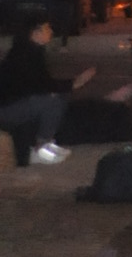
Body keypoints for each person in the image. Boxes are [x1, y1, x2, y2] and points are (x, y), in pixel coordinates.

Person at [0, 20, 94, 165]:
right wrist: (73, 83)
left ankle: (46, 143)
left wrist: (67, 85)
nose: (51, 31)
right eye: (47, 28)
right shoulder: (22, 55)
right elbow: (34, 85)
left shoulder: (33, 51)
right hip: (7, 110)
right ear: (35, 34)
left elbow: (42, 83)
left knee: (57, 99)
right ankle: (40, 148)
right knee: (51, 101)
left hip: (18, 103)